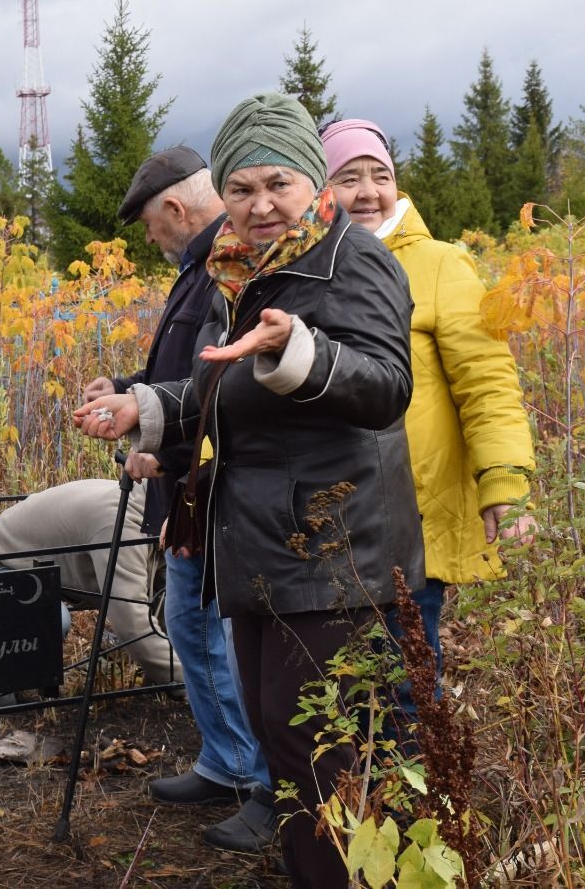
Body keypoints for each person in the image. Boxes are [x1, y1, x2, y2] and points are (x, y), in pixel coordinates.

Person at [73, 93, 424, 887]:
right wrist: (147, 406)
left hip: (335, 554)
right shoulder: (239, 275)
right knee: (281, 739)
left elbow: (384, 386)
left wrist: (299, 350)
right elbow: (215, 390)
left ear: (315, 185)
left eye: (280, 183)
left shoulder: (353, 259)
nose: (261, 204)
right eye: (241, 188)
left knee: (323, 757)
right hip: (261, 548)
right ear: (221, 193)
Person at [81, 145, 274, 853]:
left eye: (148, 226)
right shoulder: (199, 270)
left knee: (227, 638)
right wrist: (126, 387)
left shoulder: (228, 269)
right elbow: (179, 373)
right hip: (185, 483)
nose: (149, 240)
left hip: (214, 486)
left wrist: (161, 444)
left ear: (172, 209)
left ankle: (262, 783)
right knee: (192, 632)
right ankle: (224, 764)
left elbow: (227, 387)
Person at [321, 119, 537, 680]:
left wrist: (503, 481)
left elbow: (487, 381)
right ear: (320, 188)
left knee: (406, 673)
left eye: (380, 175)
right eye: (349, 178)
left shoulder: (441, 263)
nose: (368, 191)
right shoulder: (301, 268)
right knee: (335, 683)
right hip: (324, 506)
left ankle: (418, 769)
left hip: (412, 508)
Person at [0, 477, 179, 684]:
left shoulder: (147, 503)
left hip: (41, 571)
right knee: (52, 621)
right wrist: (192, 686)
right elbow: (133, 623)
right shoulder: (120, 524)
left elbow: (164, 599)